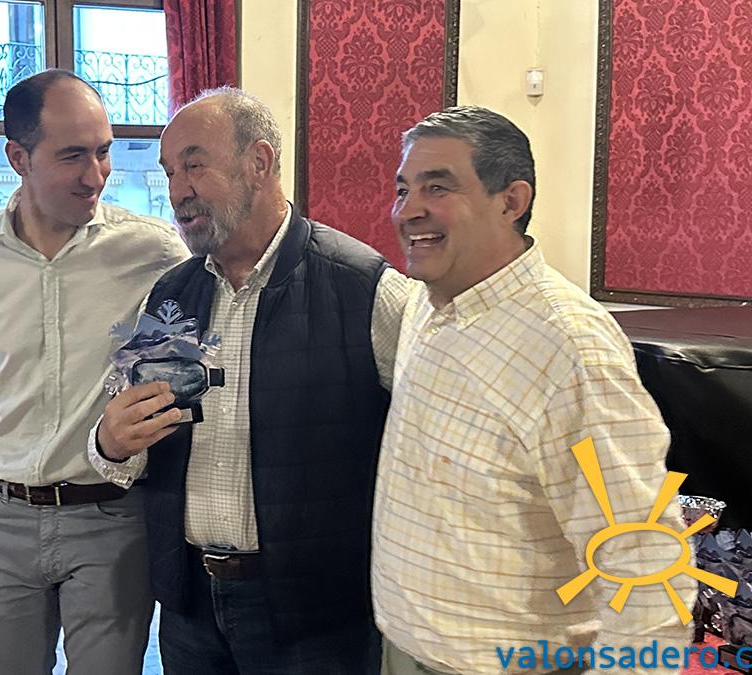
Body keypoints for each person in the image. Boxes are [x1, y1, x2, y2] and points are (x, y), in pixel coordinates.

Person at [91, 87, 413, 674]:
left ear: (259, 162)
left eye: (194, 164)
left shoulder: (365, 288)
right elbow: (128, 439)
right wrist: (110, 443)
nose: (178, 190)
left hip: (317, 616)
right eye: (169, 172)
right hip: (190, 607)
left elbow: (431, 442)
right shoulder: (171, 295)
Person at [0, 69, 188, 674]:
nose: (95, 175)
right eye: (73, 155)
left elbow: (199, 359)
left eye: (103, 152)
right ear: (17, 158)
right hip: (0, 522)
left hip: (112, 519)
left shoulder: (153, 250)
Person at [373, 105, 693, 675]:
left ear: (511, 201)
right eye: (403, 189)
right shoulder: (426, 303)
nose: (408, 210)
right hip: (409, 649)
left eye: (437, 187)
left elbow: (643, 558)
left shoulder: (570, 346)